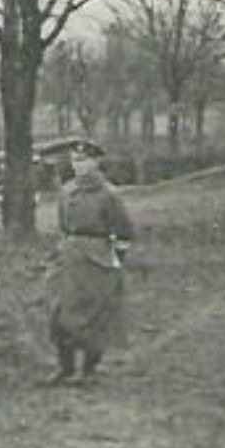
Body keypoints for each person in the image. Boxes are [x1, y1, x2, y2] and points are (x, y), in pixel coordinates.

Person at [46, 139, 136, 385]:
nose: (79, 166)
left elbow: (124, 231)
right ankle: (65, 367)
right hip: (69, 259)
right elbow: (64, 226)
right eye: (75, 161)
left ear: (96, 163)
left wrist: (114, 259)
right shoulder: (66, 191)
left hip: (96, 259)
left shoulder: (109, 195)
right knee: (61, 313)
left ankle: (88, 370)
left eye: (84, 161)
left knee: (92, 316)